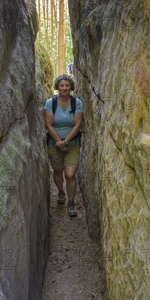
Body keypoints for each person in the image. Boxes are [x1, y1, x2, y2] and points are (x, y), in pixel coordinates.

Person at [44, 74, 84, 217]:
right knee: (57, 170)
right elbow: (48, 125)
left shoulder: (77, 103)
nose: (64, 88)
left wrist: (66, 141)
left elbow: (78, 124)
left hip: (72, 143)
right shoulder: (50, 103)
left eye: (67, 85)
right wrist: (59, 143)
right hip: (54, 143)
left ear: (71, 87)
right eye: (62, 85)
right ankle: (61, 192)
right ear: (58, 87)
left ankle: (71, 202)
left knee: (70, 174)